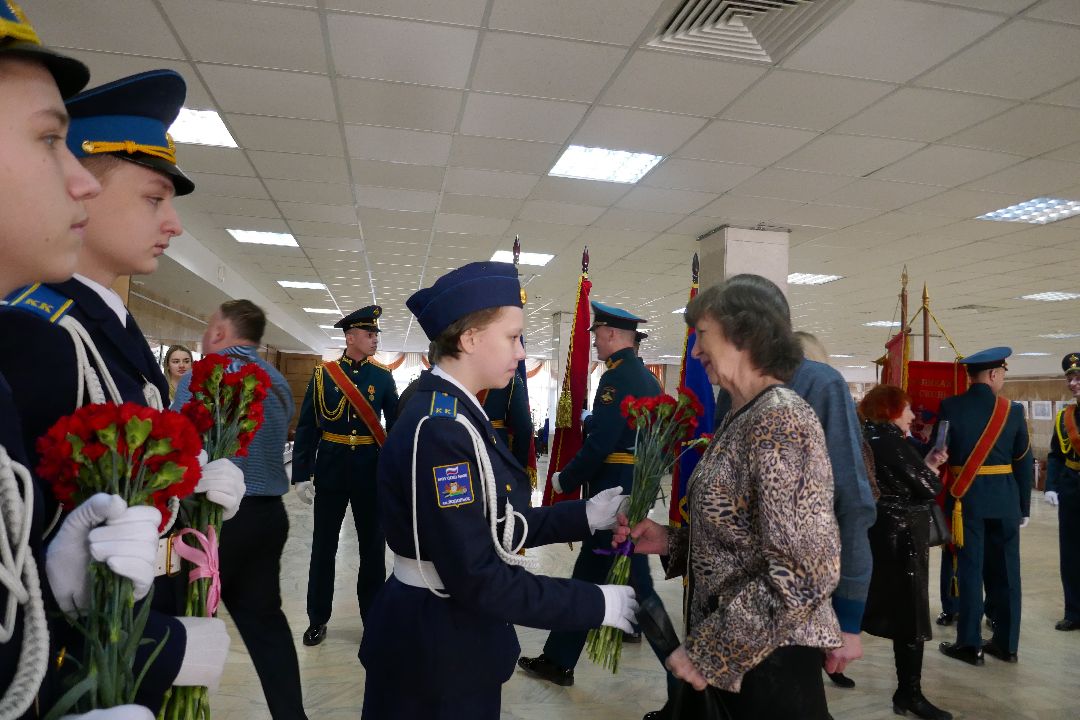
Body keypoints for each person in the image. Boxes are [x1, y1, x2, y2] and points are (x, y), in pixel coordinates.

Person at [0, 67, 240, 714]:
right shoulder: (41, 335)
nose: (174, 224)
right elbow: (25, 569)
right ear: (85, 185)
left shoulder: (108, 330)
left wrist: (189, 494)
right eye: (153, 199)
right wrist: (160, 649)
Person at [358, 261, 637, 719]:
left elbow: (494, 524)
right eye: (512, 336)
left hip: (449, 638)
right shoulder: (441, 429)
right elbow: (476, 573)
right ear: (469, 339)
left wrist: (585, 515)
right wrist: (594, 601)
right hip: (436, 647)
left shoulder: (458, 413)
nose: (522, 351)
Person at [620, 274, 840, 719]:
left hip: (768, 660)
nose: (696, 350)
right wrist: (670, 541)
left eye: (702, 336)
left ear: (744, 336)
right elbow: (745, 535)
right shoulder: (745, 413)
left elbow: (803, 572)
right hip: (746, 655)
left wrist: (712, 651)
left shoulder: (781, 422)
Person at [518, 301, 674, 688]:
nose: (595, 343)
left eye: (597, 335)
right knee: (589, 577)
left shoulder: (616, 378)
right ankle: (558, 659)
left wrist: (564, 480)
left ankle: (682, 684)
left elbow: (600, 442)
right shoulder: (648, 379)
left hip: (613, 494)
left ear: (611, 334)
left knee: (639, 587)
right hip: (631, 489)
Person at [712, 330, 878, 694]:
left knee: (785, 698)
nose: (696, 351)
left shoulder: (821, 386)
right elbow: (731, 514)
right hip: (726, 607)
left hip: (785, 606)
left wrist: (849, 619)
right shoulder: (729, 395)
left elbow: (851, 507)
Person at [172, 300, 308, 720]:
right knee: (265, 622)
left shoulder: (201, 374)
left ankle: (181, 710)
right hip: (267, 518)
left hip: (214, 520)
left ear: (219, 332)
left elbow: (176, 436)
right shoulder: (277, 380)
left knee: (184, 620)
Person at [292, 305, 399, 646]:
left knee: (372, 548)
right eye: (369, 334)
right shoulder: (324, 375)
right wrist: (301, 474)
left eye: (376, 334)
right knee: (324, 547)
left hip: (370, 469)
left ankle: (374, 618)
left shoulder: (383, 377)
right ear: (350, 337)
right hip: (332, 467)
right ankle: (317, 618)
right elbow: (308, 426)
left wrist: (397, 473)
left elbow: (395, 427)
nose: (375, 339)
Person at [859, 385, 952, 720]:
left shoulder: (870, 436)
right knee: (910, 617)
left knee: (897, 612)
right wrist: (930, 470)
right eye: (908, 409)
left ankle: (906, 692)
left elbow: (906, 481)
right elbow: (929, 487)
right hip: (903, 537)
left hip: (885, 532)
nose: (913, 416)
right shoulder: (888, 441)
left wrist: (926, 462)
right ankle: (909, 694)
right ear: (891, 409)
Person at [937, 347, 1032, 666]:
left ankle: (971, 644)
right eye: (1003, 373)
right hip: (1005, 502)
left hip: (967, 502)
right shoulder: (1013, 411)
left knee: (969, 570)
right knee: (1007, 573)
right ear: (993, 374)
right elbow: (1023, 462)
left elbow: (939, 450)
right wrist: (1024, 507)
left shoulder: (950, 406)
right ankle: (1007, 644)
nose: (1003, 378)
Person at [1045, 352, 1080, 632]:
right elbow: (1056, 455)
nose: (1073, 383)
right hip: (1072, 487)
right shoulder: (1064, 417)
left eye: (1078, 377)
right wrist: (1052, 487)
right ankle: (1074, 611)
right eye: (1070, 378)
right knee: (1070, 552)